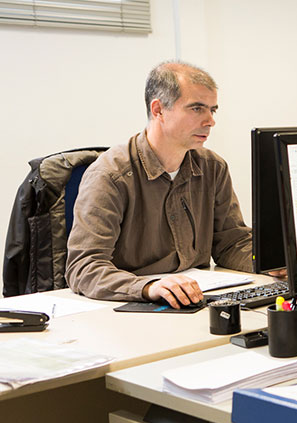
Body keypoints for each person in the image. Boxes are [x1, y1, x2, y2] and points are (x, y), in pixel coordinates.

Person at [66, 60, 255, 308]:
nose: (210, 121)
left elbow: (231, 243)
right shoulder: (110, 175)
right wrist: (148, 286)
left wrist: (269, 262)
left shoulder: (212, 167)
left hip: (194, 301)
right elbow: (84, 267)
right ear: (158, 110)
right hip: (132, 308)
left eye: (213, 110)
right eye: (197, 109)